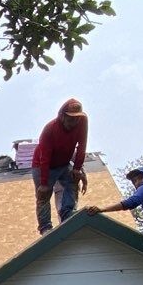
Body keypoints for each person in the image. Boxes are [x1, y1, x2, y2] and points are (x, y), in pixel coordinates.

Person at [31, 97, 89, 233]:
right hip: (43, 166)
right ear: (62, 116)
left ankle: (67, 214)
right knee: (43, 194)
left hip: (63, 163)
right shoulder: (50, 129)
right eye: (70, 119)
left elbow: (82, 146)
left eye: (76, 118)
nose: (73, 122)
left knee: (73, 182)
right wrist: (44, 183)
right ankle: (45, 227)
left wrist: (77, 168)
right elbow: (45, 157)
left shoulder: (82, 122)